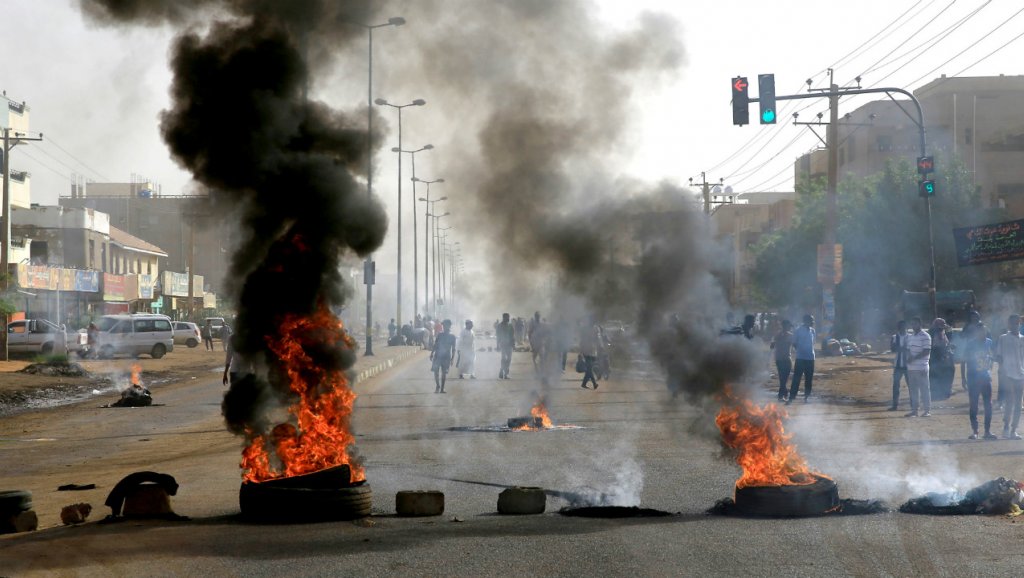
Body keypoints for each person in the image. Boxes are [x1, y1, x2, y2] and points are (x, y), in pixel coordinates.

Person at [964, 325, 996, 439]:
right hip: (973, 379)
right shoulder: (971, 344)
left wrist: (989, 370)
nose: (982, 333)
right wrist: (964, 378)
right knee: (974, 405)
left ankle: (987, 431)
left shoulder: (989, 342)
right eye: (979, 331)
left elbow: (992, 357)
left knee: (989, 405)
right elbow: (964, 361)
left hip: (986, 378)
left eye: (984, 331)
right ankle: (975, 431)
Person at [996, 314, 1024, 439]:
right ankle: (1006, 427)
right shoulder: (1003, 338)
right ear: (1009, 324)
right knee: (1009, 402)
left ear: (1020, 324)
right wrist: (1002, 372)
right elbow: (999, 356)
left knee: (1018, 403)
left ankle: (1014, 430)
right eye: (1013, 323)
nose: (1015, 326)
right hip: (1008, 374)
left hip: (1021, 374)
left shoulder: (1022, 339)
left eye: (1017, 323)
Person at [905, 316, 932, 418]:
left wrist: (914, 358)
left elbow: (926, 351)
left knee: (924, 389)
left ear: (920, 324)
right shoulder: (910, 336)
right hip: (911, 368)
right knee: (913, 390)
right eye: (912, 324)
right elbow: (907, 349)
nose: (913, 325)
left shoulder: (926, 336)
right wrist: (909, 357)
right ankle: (914, 410)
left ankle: (927, 410)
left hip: (921, 367)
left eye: (915, 323)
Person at [787, 314, 816, 404]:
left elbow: (812, 343)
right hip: (800, 358)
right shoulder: (798, 330)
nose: (812, 322)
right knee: (797, 378)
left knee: (809, 379)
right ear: (805, 321)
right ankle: (792, 397)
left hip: (810, 358)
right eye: (811, 320)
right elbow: (794, 343)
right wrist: (800, 350)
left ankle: (806, 397)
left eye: (813, 320)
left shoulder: (812, 331)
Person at [928, 318, 954, 400]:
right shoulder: (932, 333)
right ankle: (936, 392)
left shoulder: (943, 332)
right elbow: (935, 346)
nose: (943, 327)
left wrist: (950, 347)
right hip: (935, 357)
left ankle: (946, 390)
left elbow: (947, 343)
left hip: (943, 356)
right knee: (936, 374)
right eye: (941, 325)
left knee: (949, 371)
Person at [430, 319, 457, 393]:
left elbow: (454, 348)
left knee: (444, 373)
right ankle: (438, 386)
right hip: (438, 355)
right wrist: (432, 353)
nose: (445, 326)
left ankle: (442, 388)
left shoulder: (452, 336)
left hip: (446, 356)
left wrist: (452, 359)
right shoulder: (440, 334)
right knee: (436, 371)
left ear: (449, 326)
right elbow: (435, 344)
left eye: (446, 325)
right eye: (444, 325)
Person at [770, 319, 794, 402]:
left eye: (789, 326)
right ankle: (782, 394)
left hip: (787, 359)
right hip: (780, 359)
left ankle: (783, 394)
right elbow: (772, 346)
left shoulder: (791, 336)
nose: (788, 327)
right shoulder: (777, 335)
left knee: (785, 378)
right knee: (782, 378)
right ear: (783, 326)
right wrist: (775, 341)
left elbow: (795, 345)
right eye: (787, 326)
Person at [889, 320, 910, 411]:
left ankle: (913, 404)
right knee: (896, 386)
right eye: (900, 327)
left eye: (903, 326)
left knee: (911, 386)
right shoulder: (894, 337)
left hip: (908, 365)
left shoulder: (910, 337)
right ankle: (895, 405)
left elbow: (896, 348)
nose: (902, 328)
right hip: (898, 365)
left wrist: (900, 348)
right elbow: (892, 349)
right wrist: (903, 348)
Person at [579, 319, 602, 390]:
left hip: (590, 351)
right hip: (590, 351)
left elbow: (582, 340)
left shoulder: (586, 329)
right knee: (589, 368)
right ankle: (594, 384)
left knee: (589, 368)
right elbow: (598, 340)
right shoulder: (595, 329)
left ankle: (584, 384)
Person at [495, 313, 515, 379]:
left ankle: (505, 373)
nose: (508, 319)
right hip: (503, 344)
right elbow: (498, 336)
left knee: (509, 359)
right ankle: (502, 371)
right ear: (503, 318)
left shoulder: (510, 325)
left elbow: (513, 335)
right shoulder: (499, 326)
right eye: (507, 317)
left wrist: (513, 344)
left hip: (509, 345)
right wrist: (497, 345)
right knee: (504, 358)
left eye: (508, 317)